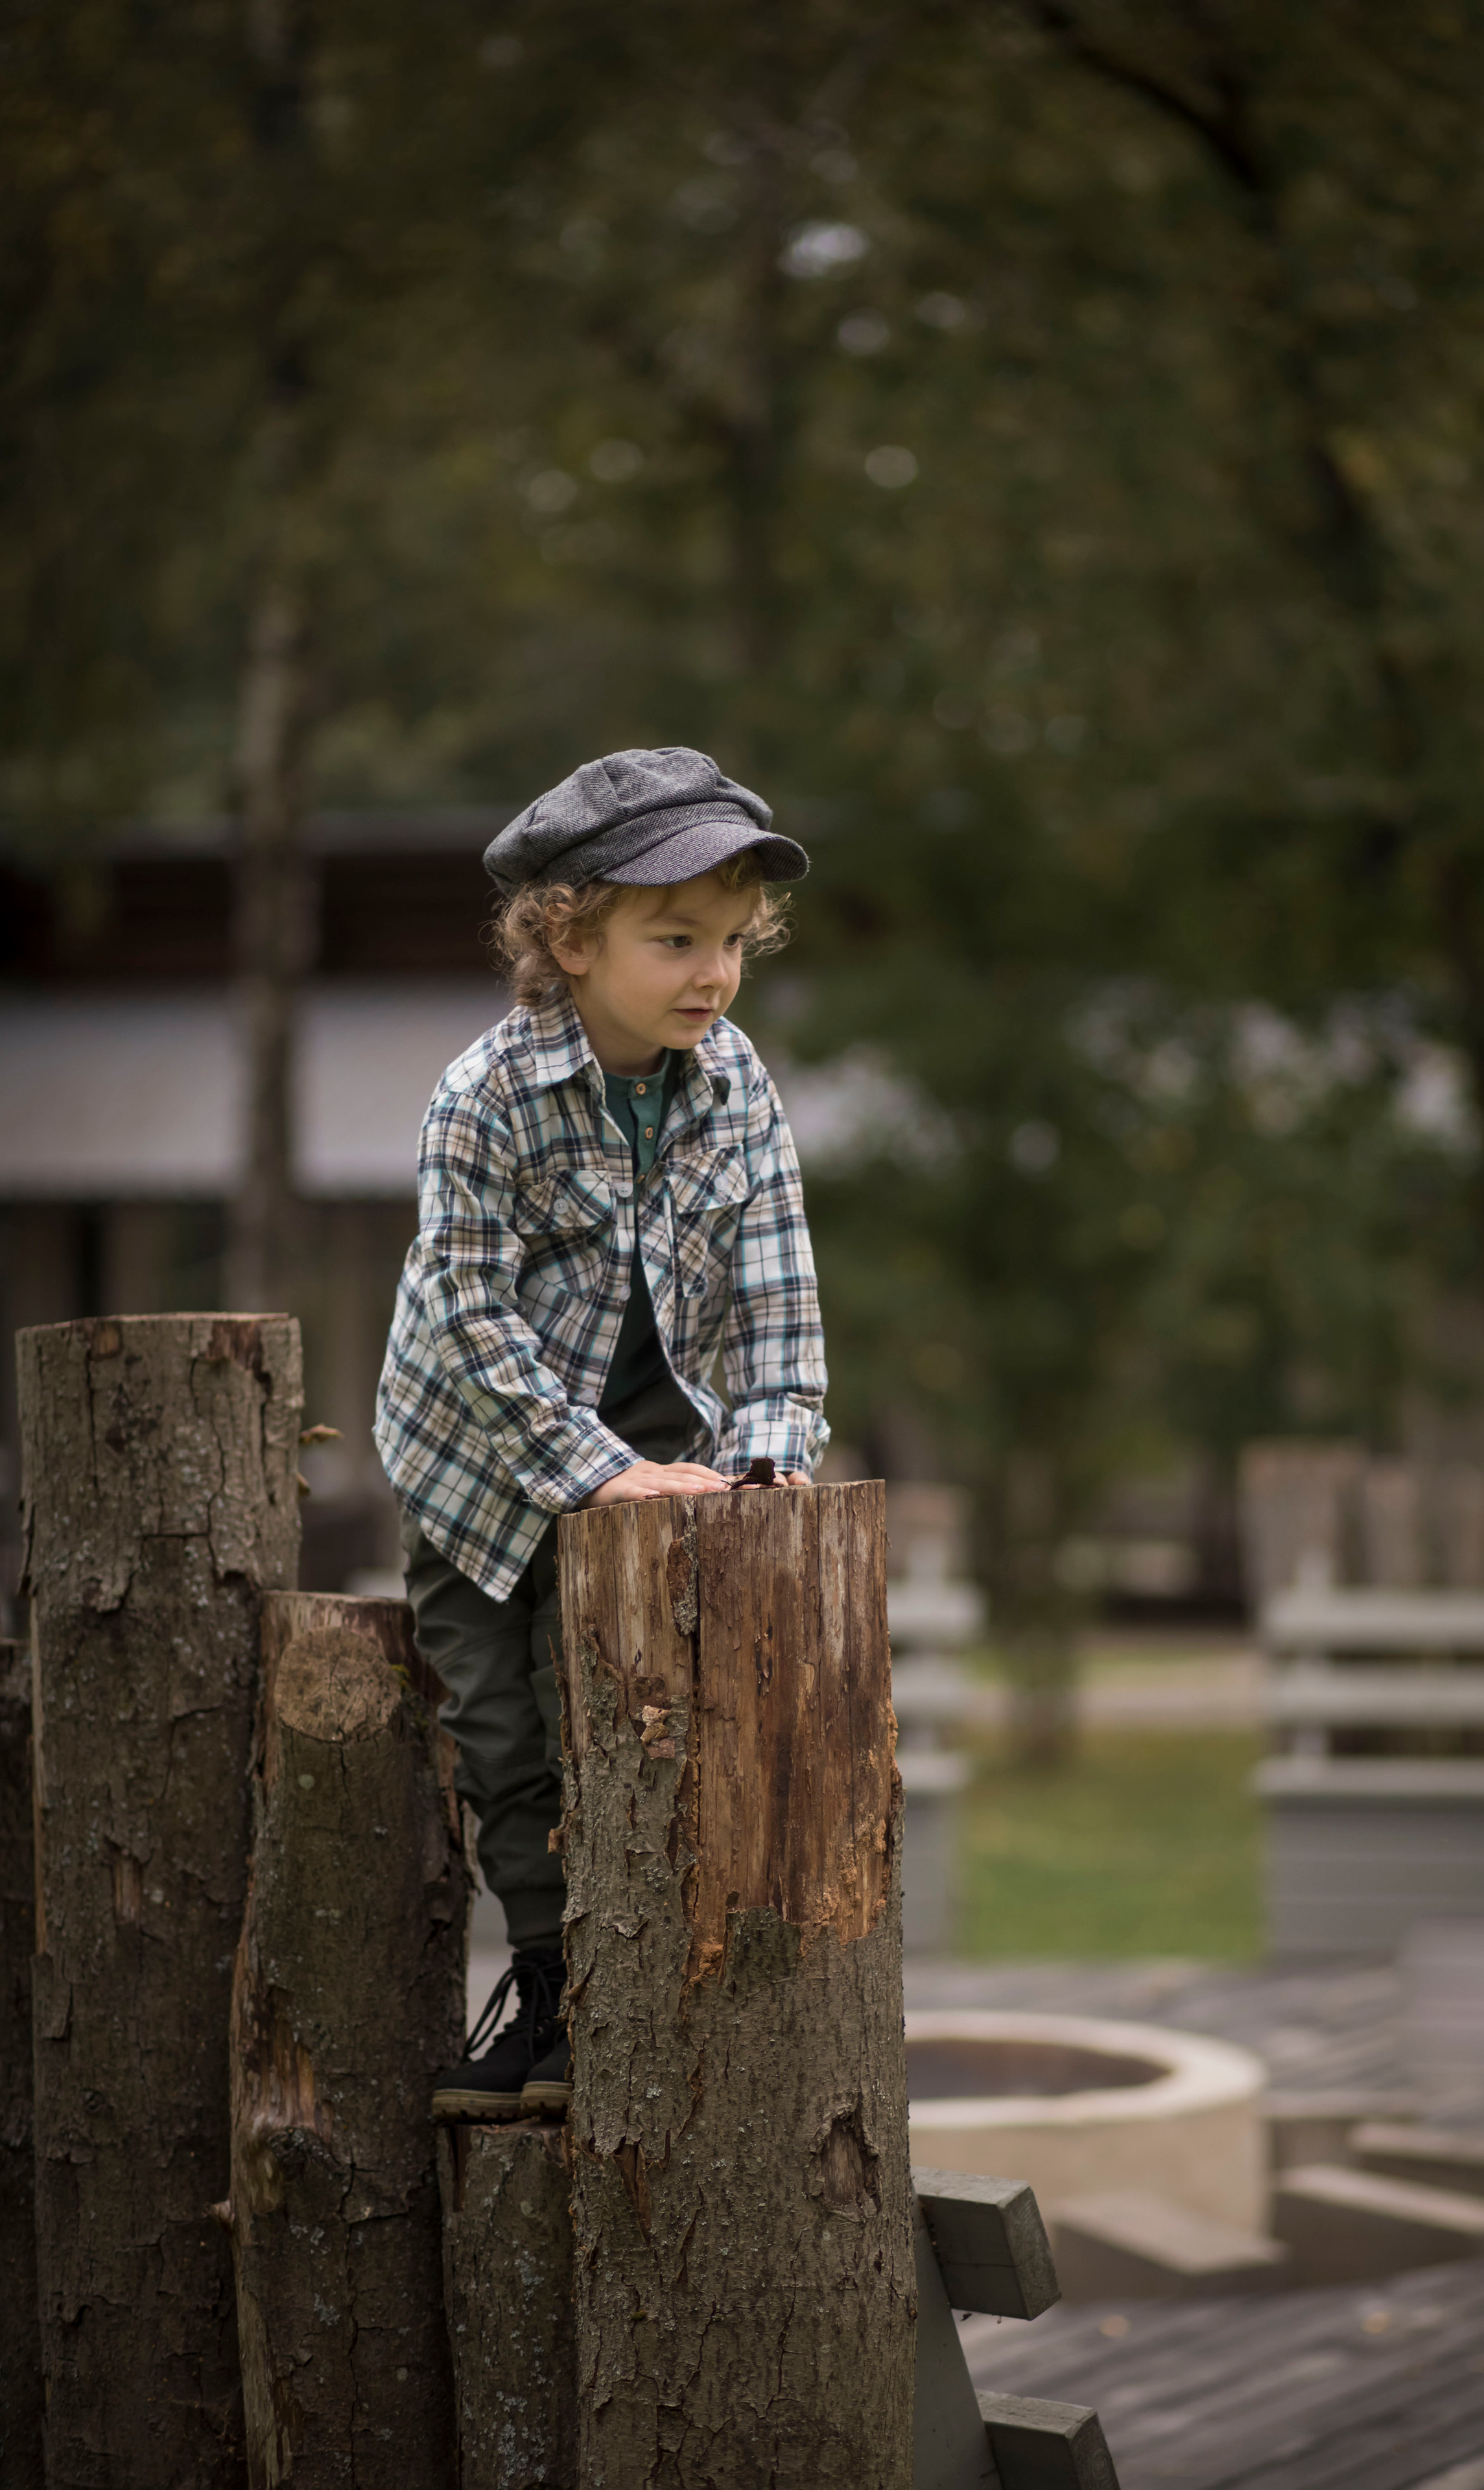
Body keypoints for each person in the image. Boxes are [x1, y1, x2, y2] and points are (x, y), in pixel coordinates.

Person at [373, 746, 827, 2120]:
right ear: (569, 937)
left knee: (640, 1715)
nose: (711, 974)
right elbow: (467, 1312)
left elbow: (775, 1294)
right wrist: (600, 1475)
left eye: (732, 944)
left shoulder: (734, 1083)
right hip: (487, 1456)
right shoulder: (485, 1094)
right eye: (674, 939)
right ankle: (556, 1982)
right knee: (506, 1730)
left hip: (662, 1434)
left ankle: (671, 1981)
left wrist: (767, 1458)